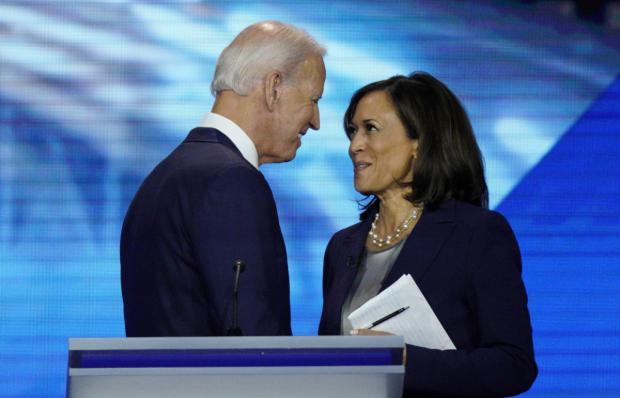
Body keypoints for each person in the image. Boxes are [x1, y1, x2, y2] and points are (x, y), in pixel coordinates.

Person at [318, 73, 537, 397]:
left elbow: (513, 364)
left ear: (419, 142)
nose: (354, 146)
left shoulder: (477, 234)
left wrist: (402, 359)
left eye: (371, 129)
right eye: (352, 131)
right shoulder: (342, 246)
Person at [121, 21, 326, 337]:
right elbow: (254, 343)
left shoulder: (164, 176)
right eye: (313, 100)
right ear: (273, 88)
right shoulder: (230, 182)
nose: (315, 122)